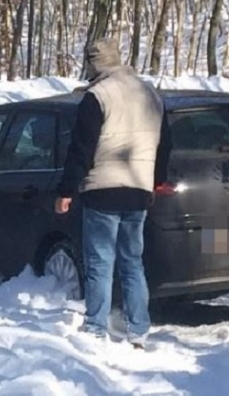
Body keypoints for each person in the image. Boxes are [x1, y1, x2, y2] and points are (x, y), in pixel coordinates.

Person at [54, 38, 171, 348]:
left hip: (103, 190)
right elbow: (165, 143)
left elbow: (81, 148)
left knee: (100, 263)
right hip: (139, 189)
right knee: (133, 262)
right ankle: (139, 328)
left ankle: (95, 327)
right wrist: (155, 180)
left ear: (93, 65)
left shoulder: (97, 96)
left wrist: (66, 189)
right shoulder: (149, 93)